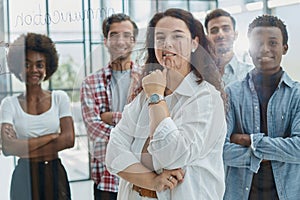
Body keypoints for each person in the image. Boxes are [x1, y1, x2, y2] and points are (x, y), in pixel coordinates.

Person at [105, 8, 227, 200]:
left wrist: (156, 97)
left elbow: (172, 155)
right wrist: (152, 182)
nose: (167, 44)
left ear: (194, 43)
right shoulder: (144, 95)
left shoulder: (206, 98)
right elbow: (113, 153)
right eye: (160, 37)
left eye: (177, 36)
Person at [223, 15, 300, 200]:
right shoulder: (231, 93)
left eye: (272, 43)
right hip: (239, 194)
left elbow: (298, 148)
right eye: (258, 43)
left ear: (285, 48)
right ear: (249, 48)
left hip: (287, 194)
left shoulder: (297, 95)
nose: (264, 49)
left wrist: (250, 140)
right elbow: (221, 150)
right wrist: (269, 154)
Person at [0, 32, 75, 200]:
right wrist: (51, 137)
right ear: (18, 67)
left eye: (39, 65)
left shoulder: (59, 98)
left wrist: (23, 148)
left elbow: (69, 140)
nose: (33, 70)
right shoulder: (9, 104)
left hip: (54, 174)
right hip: (23, 176)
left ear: (47, 67)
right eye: (27, 64)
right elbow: (7, 148)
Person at [80, 13, 141, 200]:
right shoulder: (90, 83)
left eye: (126, 35)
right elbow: (94, 130)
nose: (120, 40)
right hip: (106, 178)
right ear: (105, 41)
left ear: (134, 40)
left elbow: (149, 126)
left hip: (142, 176)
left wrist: (111, 117)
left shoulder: (148, 78)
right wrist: (130, 127)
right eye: (114, 35)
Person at [205, 8, 253, 86]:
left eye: (226, 29)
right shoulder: (199, 76)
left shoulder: (251, 74)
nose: (220, 35)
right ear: (207, 38)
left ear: (235, 35)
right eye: (214, 31)